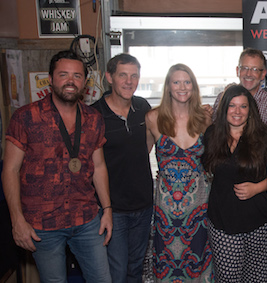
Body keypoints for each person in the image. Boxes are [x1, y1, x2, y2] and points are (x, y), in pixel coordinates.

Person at [2, 50, 112, 282]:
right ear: (51, 79)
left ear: (85, 82)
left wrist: (108, 210)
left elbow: (99, 167)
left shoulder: (94, 119)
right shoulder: (25, 117)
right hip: (43, 223)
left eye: (77, 76)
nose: (71, 81)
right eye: (64, 75)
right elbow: (10, 170)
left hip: (86, 219)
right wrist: (17, 220)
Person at [145, 63, 213, 282]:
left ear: (193, 87)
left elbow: (213, 160)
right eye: (176, 82)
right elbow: (140, 157)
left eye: (187, 82)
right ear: (168, 87)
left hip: (199, 206)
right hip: (166, 207)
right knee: (166, 262)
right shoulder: (153, 118)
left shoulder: (204, 119)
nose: (182, 87)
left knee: (198, 259)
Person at [91, 53, 153, 283]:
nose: (129, 81)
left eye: (134, 76)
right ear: (109, 77)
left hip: (143, 205)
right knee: (116, 272)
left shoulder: (142, 107)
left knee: (135, 269)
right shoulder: (94, 114)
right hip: (112, 209)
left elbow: (148, 144)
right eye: (123, 75)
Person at [202, 85, 267, 282]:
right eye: (232, 106)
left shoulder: (265, 136)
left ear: (250, 110)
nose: (237, 111)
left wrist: (258, 187)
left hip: (259, 222)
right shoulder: (211, 135)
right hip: (223, 223)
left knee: (257, 278)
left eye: (243, 106)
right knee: (228, 278)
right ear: (224, 108)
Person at [213, 48, 267, 134]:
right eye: (245, 68)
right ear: (238, 71)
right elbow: (215, 134)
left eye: (255, 69)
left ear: (263, 74)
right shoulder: (221, 99)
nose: (248, 74)